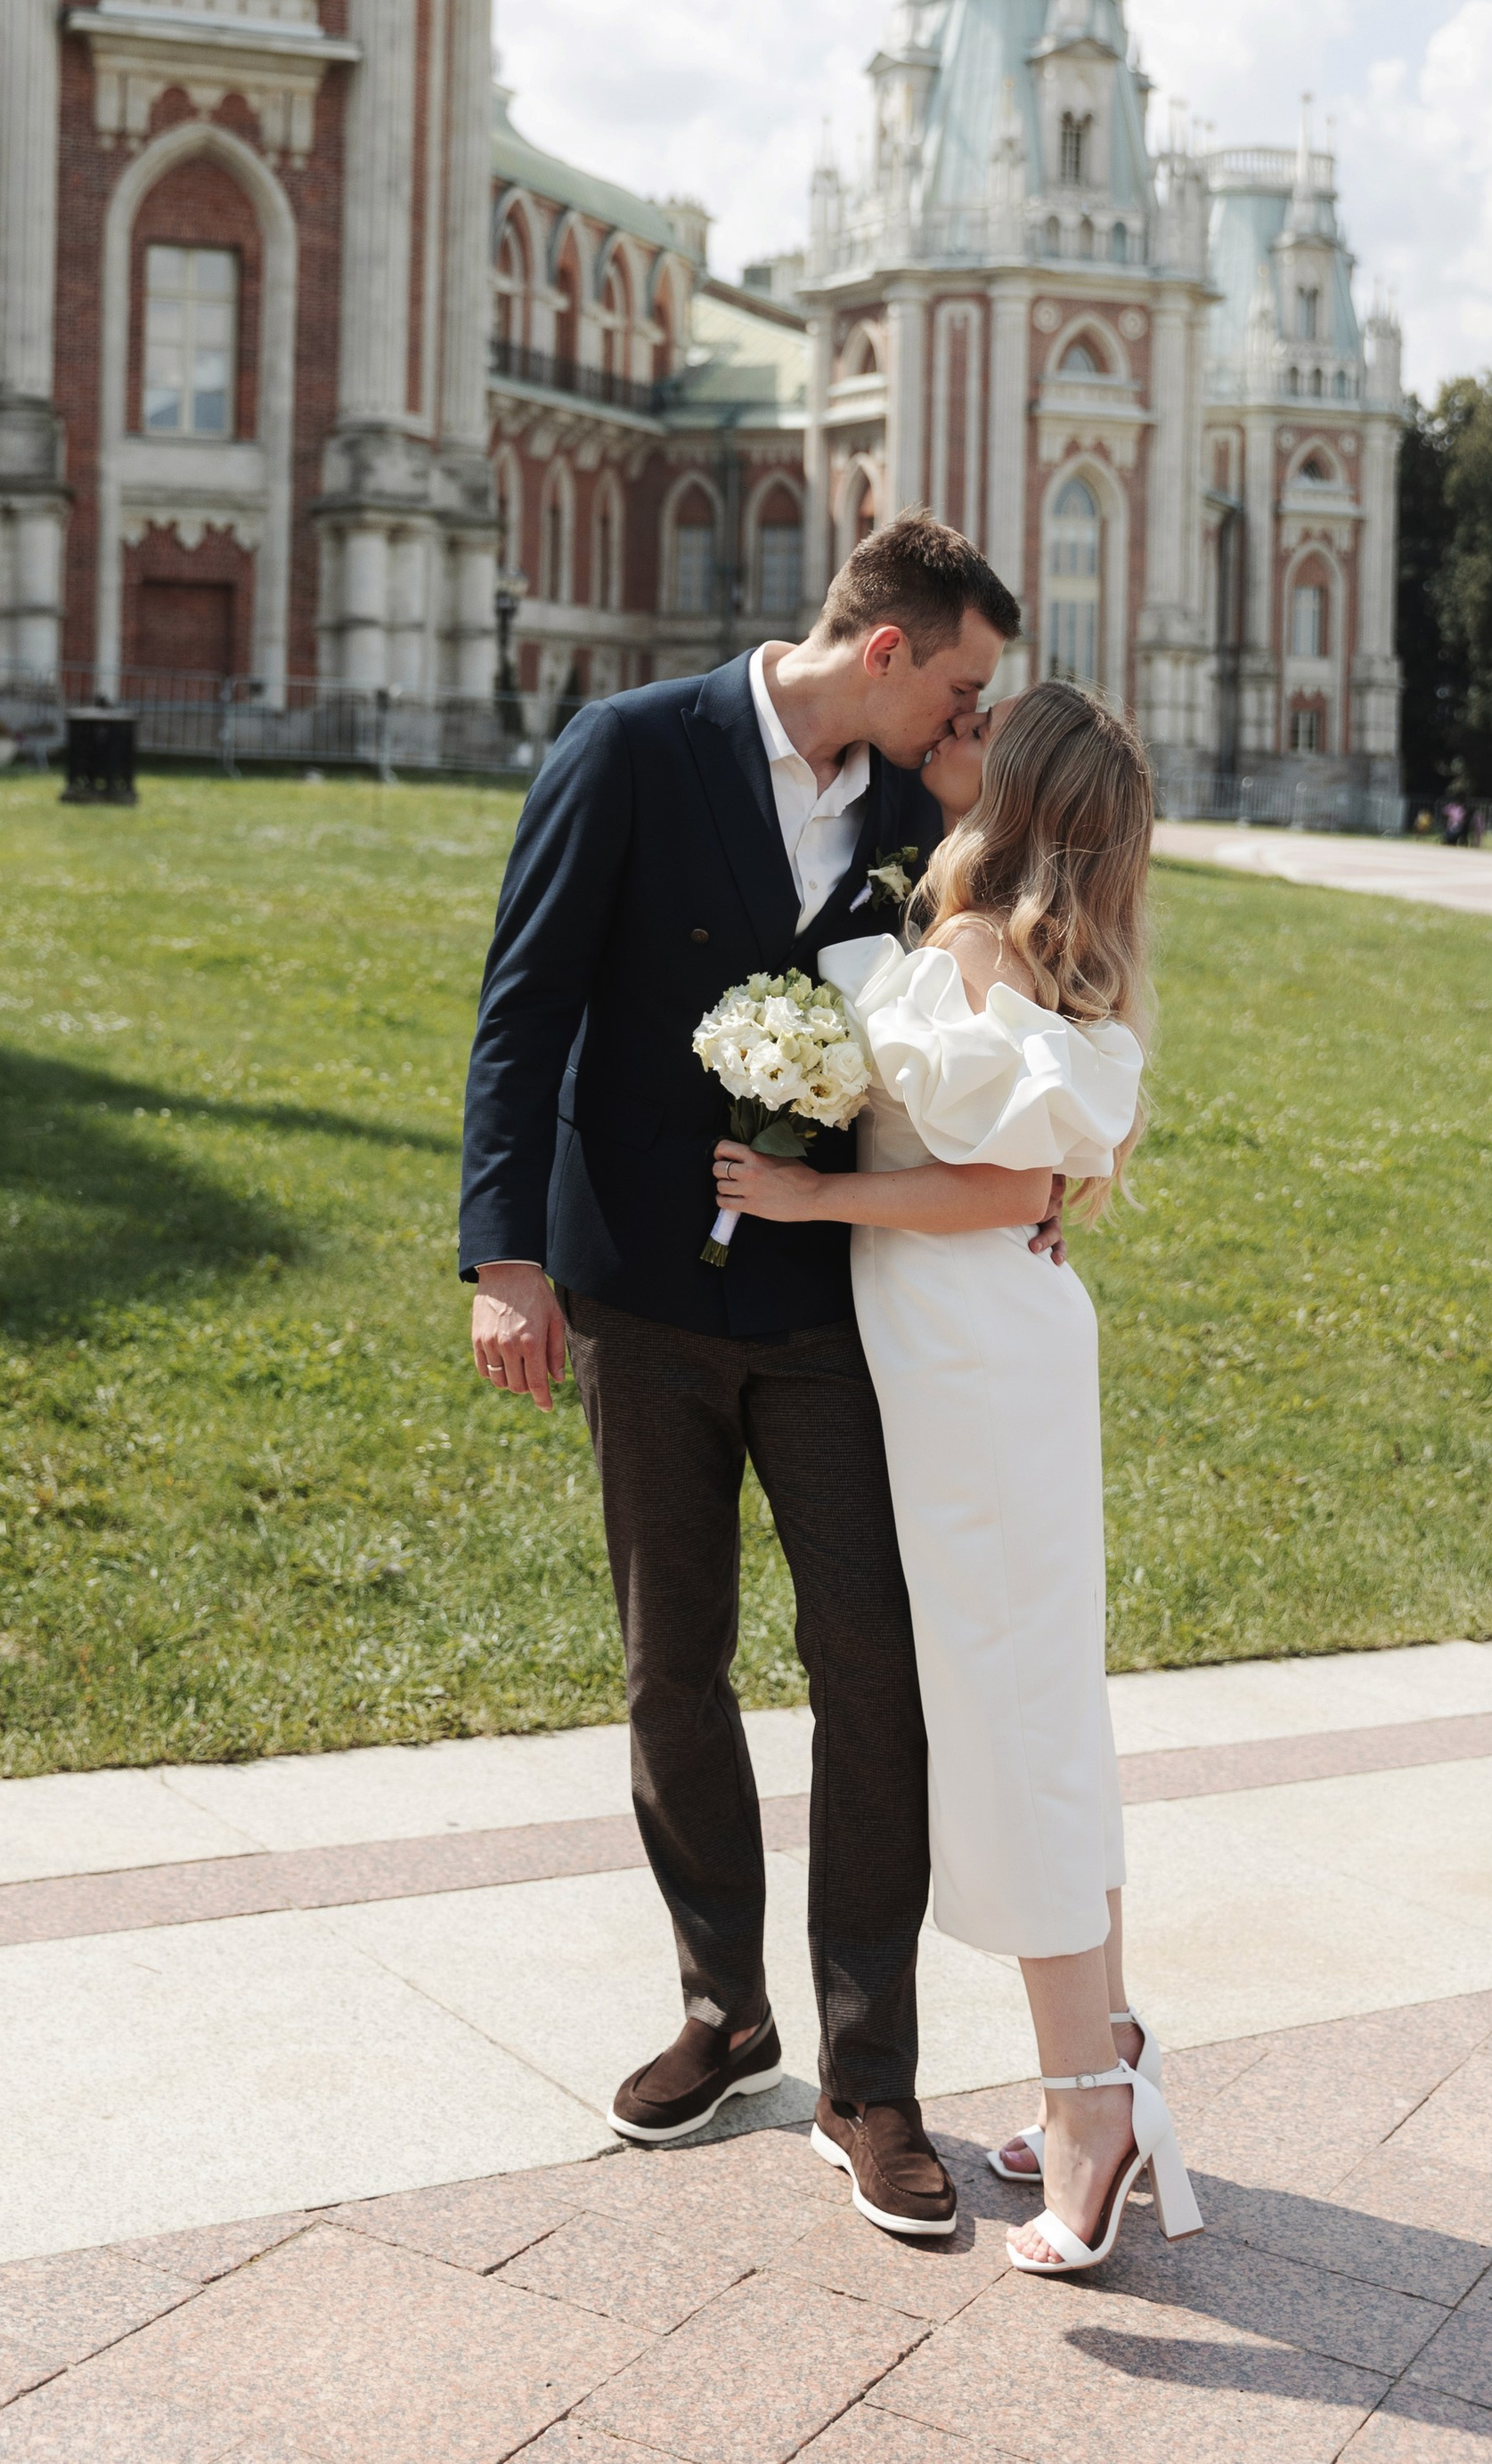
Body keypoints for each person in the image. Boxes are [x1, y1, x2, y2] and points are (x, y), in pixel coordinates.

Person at [460, 515, 1019, 2236]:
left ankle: (873, 2081)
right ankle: (725, 2006)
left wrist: (1023, 1205)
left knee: (873, 1672)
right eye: (963, 684)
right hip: (636, 1290)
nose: (970, 714)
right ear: (884, 653)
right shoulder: (630, 748)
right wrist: (504, 1258)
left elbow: (991, 1016)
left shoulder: (926, 809)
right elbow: (525, 1000)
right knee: (668, 1666)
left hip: (838, 1302)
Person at [713, 680, 1203, 2275]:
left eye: (985, 734)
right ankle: (1108, 2056)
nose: (954, 739)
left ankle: (1091, 2120)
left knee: (1014, 1722)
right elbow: (1019, 1170)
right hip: (992, 1358)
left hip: (981, 1365)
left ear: (1016, 791)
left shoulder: (976, 958)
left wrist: (802, 1200)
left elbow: (999, 1183)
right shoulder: (1023, 957)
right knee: (1040, 1707)